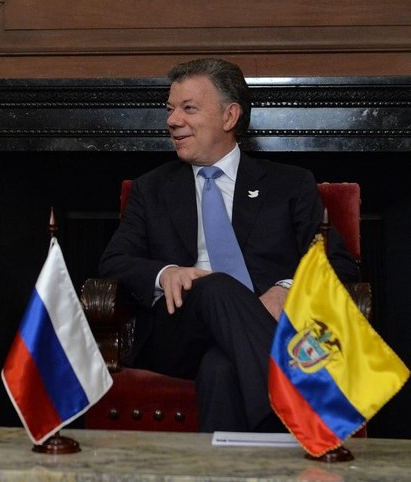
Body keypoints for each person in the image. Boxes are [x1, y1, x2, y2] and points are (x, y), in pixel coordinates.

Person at [99, 58, 359, 433]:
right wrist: (165, 273)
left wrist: (288, 289)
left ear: (229, 116)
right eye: (170, 109)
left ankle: (233, 461)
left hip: (261, 326)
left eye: (189, 108)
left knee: (220, 368)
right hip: (177, 332)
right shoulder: (151, 188)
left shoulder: (289, 184)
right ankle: (309, 405)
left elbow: (338, 262)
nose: (173, 120)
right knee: (215, 285)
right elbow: (114, 261)